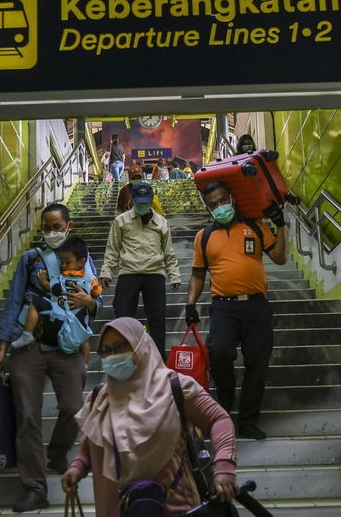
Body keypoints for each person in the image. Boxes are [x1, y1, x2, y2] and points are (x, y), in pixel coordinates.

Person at [61, 317, 238, 516]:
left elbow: (219, 419)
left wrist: (224, 466)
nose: (112, 356)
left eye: (120, 347)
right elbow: (91, 443)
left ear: (140, 345)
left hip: (176, 510)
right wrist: (78, 467)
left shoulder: (175, 387)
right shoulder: (100, 399)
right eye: (106, 351)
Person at [0, 203, 102, 513]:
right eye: (46, 226)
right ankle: (34, 489)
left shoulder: (83, 257)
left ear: (69, 226)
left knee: (74, 407)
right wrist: (3, 343)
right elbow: (15, 298)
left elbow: (96, 298)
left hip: (66, 344)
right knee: (28, 417)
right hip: (29, 344)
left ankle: (57, 453)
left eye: (57, 226)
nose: (52, 232)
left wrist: (91, 305)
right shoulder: (31, 258)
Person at [184, 181, 288, 441]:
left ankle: (248, 421)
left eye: (222, 201)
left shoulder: (254, 226)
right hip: (223, 307)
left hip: (256, 305)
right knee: (218, 352)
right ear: (208, 208)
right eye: (213, 205)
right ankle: (225, 404)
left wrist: (282, 225)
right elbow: (198, 274)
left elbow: (279, 257)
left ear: (231, 198)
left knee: (257, 364)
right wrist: (190, 303)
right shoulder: (204, 236)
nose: (219, 207)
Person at [100, 182, 182, 358]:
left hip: (155, 275)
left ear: (151, 200)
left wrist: (174, 274)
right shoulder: (121, 221)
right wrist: (106, 271)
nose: (142, 206)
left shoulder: (161, 222)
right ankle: (124, 357)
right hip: (129, 274)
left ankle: (159, 361)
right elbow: (112, 248)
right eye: (139, 203)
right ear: (132, 200)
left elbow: (168, 251)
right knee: (123, 318)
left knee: (158, 320)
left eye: (146, 202)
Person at [10, 235, 101, 359]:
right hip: (76, 315)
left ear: (82, 262)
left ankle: (27, 333)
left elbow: (55, 290)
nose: (63, 265)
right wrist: (91, 298)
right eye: (62, 261)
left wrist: (44, 282)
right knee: (83, 337)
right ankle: (84, 364)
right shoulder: (91, 279)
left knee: (36, 303)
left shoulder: (64, 277)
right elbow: (96, 293)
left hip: (65, 311)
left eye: (67, 262)